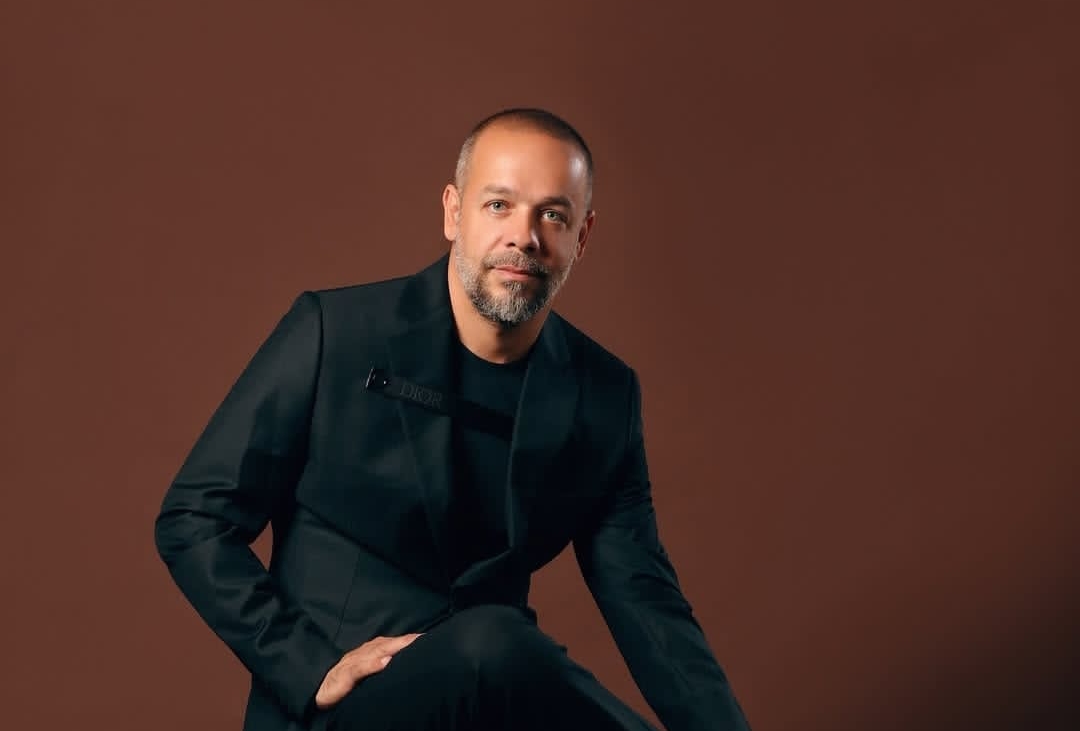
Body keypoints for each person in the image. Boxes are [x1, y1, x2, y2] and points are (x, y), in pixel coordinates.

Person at [155, 107, 751, 731]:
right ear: (453, 212)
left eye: (553, 215)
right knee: (494, 639)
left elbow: (647, 603)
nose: (524, 237)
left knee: (498, 645)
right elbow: (194, 519)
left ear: (583, 236)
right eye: (499, 205)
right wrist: (309, 667)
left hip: (492, 706)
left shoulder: (603, 395)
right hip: (339, 713)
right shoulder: (337, 333)